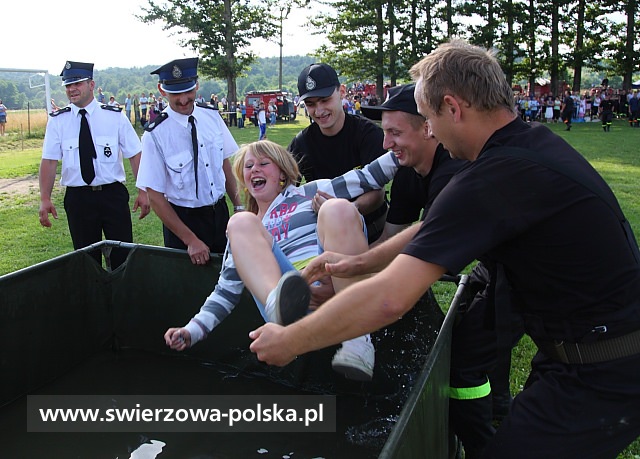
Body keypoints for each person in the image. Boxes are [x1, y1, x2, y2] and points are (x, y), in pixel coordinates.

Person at [249, 40, 640, 459]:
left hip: (602, 368)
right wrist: (359, 261)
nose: (429, 131)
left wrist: (291, 339)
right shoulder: (522, 147)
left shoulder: (494, 176)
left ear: (453, 108)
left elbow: (388, 300)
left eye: (430, 119)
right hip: (575, 352)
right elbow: (429, 228)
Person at [164, 139, 401, 381]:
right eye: (248, 167)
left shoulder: (308, 193)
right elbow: (225, 291)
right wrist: (192, 330)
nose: (255, 169)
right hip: (287, 303)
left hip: (332, 279)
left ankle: (358, 340)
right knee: (239, 221)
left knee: (337, 207)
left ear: (283, 175)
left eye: (264, 163)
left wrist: (406, 147)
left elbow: (368, 177)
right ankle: (282, 300)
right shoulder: (246, 228)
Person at [38, 61, 150, 269]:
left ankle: (122, 299)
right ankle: (92, 301)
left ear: (91, 84)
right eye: (68, 85)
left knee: (122, 257)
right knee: (86, 261)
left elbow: (135, 155)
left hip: (112, 196)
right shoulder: (58, 121)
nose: (71, 89)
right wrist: (45, 198)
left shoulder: (114, 117)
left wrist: (143, 191)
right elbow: (49, 161)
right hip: (78, 199)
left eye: (77, 84)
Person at [136, 57, 242, 264]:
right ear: (162, 90)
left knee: (227, 280)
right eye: (176, 93)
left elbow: (224, 164)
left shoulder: (212, 117)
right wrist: (190, 240)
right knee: (188, 290)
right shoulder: (155, 134)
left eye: (189, 91)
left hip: (219, 214)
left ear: (197, 86)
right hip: (183, 221)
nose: (184, 99)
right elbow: (155, 196)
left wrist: (238, 207)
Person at [288, 63, 388, 244]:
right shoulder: (301, 143)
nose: (319, 111)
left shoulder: (367, 134)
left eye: (325, 100)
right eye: (310, 104)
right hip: (325, 236)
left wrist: (342, 212)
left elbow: (378, 192)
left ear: (341, 92)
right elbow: (285, 193)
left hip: (372, 231)